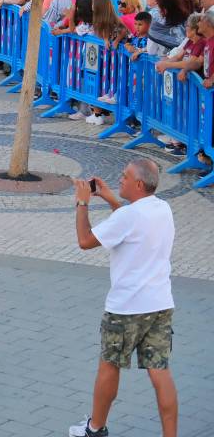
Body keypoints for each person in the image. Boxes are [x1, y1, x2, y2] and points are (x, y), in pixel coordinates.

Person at [69, 160, 176, 437]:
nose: (120, 178)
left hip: (126, 308)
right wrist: (111, 198)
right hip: (160, 304)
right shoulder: (162, 209)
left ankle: (95, 428)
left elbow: (85, 241)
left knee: (109, 366)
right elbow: (130, 225)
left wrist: (83, 203)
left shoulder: (128, 216)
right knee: (160, 372)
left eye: (125, 176)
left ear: (139, 184)